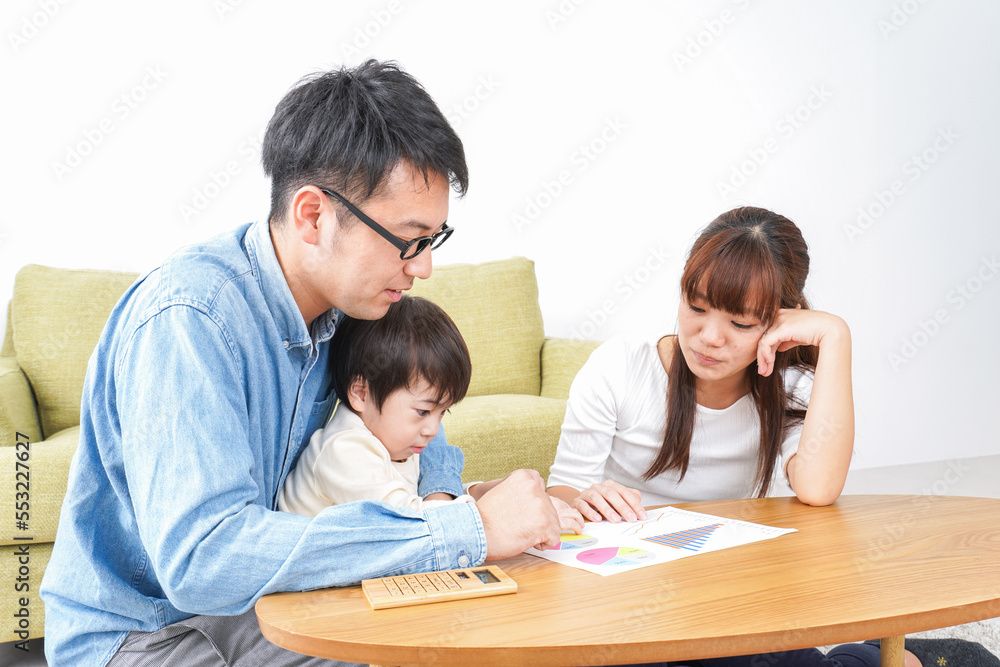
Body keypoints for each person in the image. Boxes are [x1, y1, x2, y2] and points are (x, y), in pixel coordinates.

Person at [40, 60, 579, 667]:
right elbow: (204, 559)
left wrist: (445, 504)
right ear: (313, 215)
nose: (423, 266)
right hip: (145, 634)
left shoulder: (359, 303)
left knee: (487, 633)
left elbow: (421, 434)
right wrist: (461, 531)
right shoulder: (190, 319)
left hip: (261, 606)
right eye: (408, 240)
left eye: (433, 240)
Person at [547, 207, 997, 667]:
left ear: (782, 321)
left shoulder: (789, 387)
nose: (709, 337)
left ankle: (891, 657)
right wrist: (581, 498)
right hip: (624, 593)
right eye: (696, 307)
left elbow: (818, 488)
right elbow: (560, 492)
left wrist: (835, 335)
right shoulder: (621, 367)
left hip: (726, 593)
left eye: (741, 323)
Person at [278, 295, 506, 515]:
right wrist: (486, 510)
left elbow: (413, 500)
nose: (433, 430)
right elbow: (407, 520)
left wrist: (477, 492)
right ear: (361, 394)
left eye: (442, 412)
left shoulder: (395, 441)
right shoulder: (344, 452)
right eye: (423, 411)